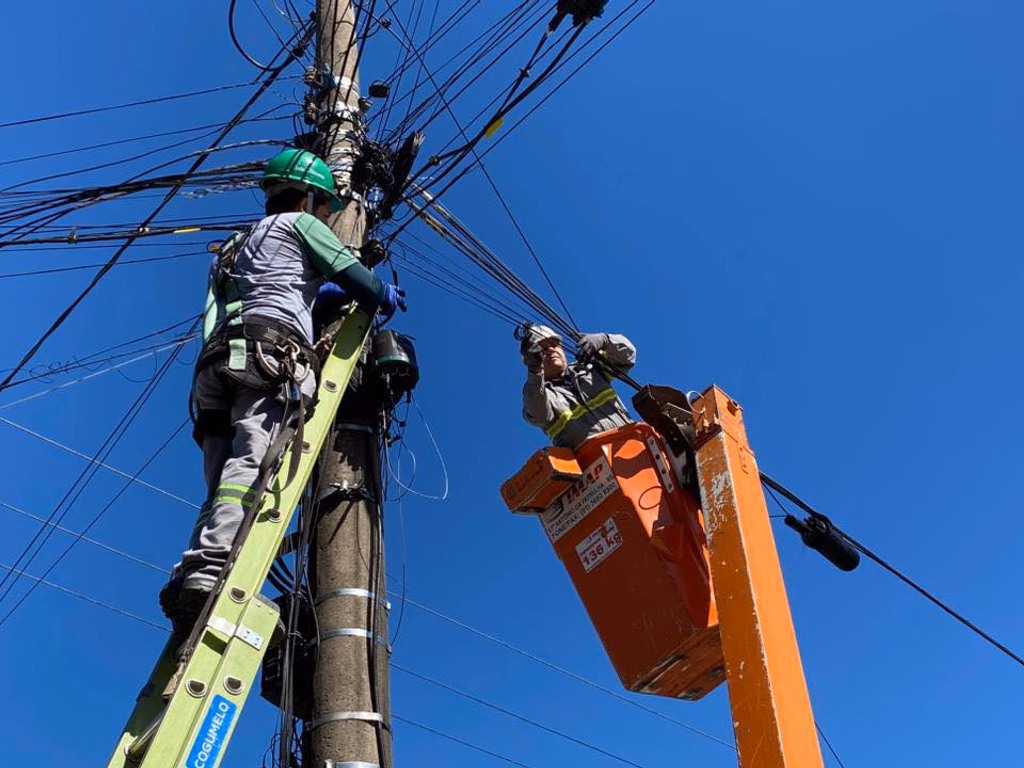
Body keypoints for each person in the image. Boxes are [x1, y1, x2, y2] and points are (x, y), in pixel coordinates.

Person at [160, 148, 406, 637]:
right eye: (324, 206)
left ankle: (196, 566)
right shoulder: (301, 225)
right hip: (269, 357)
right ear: (311, 194)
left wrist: (327, 295)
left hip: (214, 364)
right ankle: (211, 570)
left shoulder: (237, 243)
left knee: (223, 480)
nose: (325, 215)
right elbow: (355, 278)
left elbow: (281, 285)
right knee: (252, 463)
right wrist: (381, 292)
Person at [521, 324, 636, 450]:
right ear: (530, 361)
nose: (551, 350)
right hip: (592, 463)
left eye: (554, 344)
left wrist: (605, 340)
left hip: (632, 444)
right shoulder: (540, 395)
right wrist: (535, 372)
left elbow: (627, 357)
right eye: (542, 350)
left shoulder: (589, 369)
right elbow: (538, 414)